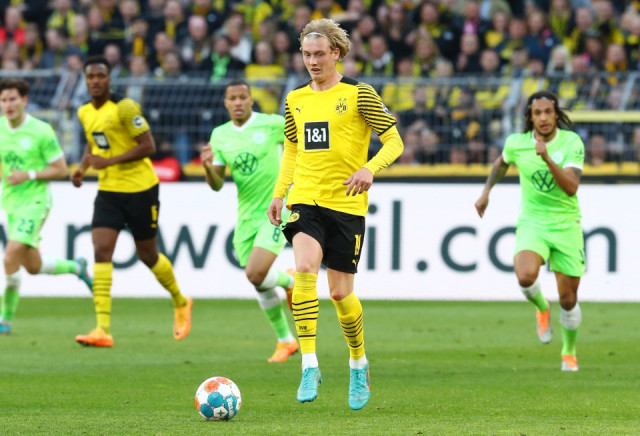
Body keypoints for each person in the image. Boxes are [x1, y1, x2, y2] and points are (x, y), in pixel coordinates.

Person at [267, 18, 404, 410]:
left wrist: (370, 169)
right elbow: (292, 150)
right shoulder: (295, 99)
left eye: (319, 54)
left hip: (346, 203)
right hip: (305, 199)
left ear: (336, 53)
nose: (312, 61)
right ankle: (309, 364)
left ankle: (358, 363)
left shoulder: (359, 94)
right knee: (304, 269)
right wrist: (279, 194)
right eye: (306, 54)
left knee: (341, 294)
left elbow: (394, 140)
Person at [72, 55, 192, 348]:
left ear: (109, 79)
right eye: (91, 77)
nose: (95, 81)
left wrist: (109, 160)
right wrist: (82, 169)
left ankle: (180, 300)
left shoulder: (125, 107)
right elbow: (93, 142)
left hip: (141, 189)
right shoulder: (84, 111)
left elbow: (148, 145)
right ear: (85, 80)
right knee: (101, 250)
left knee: (148, 255)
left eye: (100, 76)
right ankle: (102, 329)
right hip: (109, 191)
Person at [474, 90, 585, 372]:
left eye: (548, 112)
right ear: (530, 117)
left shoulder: (571, 142)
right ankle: (542, 306)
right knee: (525, 276)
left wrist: (547, 158)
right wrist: (486, 191)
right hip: (533, 223)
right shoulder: (517, 143)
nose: (543, 118)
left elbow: (571, 188)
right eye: (538, 113)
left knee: (569, 300)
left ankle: (569, 351)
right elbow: (501, 164)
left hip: (566, 225)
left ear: (556, 115)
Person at [200, 79, 298, 363]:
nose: (238, 102)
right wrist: (208, 167)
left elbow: (300, 142)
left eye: (243, 97)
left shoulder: (271, 124)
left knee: (255, 273)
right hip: (246, 216)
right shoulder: (220, 135)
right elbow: (217, 184)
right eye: (233, 98)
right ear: (226, 103)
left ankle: (290, 281)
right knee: (260, 282)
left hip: (275, 210)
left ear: (251, 100)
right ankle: (285, 340)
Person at [0, 78, 93, 335]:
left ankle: (5, 319)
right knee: (33, 266)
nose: (8, 105)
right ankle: (77, 267)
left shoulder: (41, 131)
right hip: (11, 202)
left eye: (12, 99)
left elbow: (61, 169)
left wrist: (28, 175)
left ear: (24, 100)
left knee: (10, 256)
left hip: (36, 202)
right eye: (3, 100)